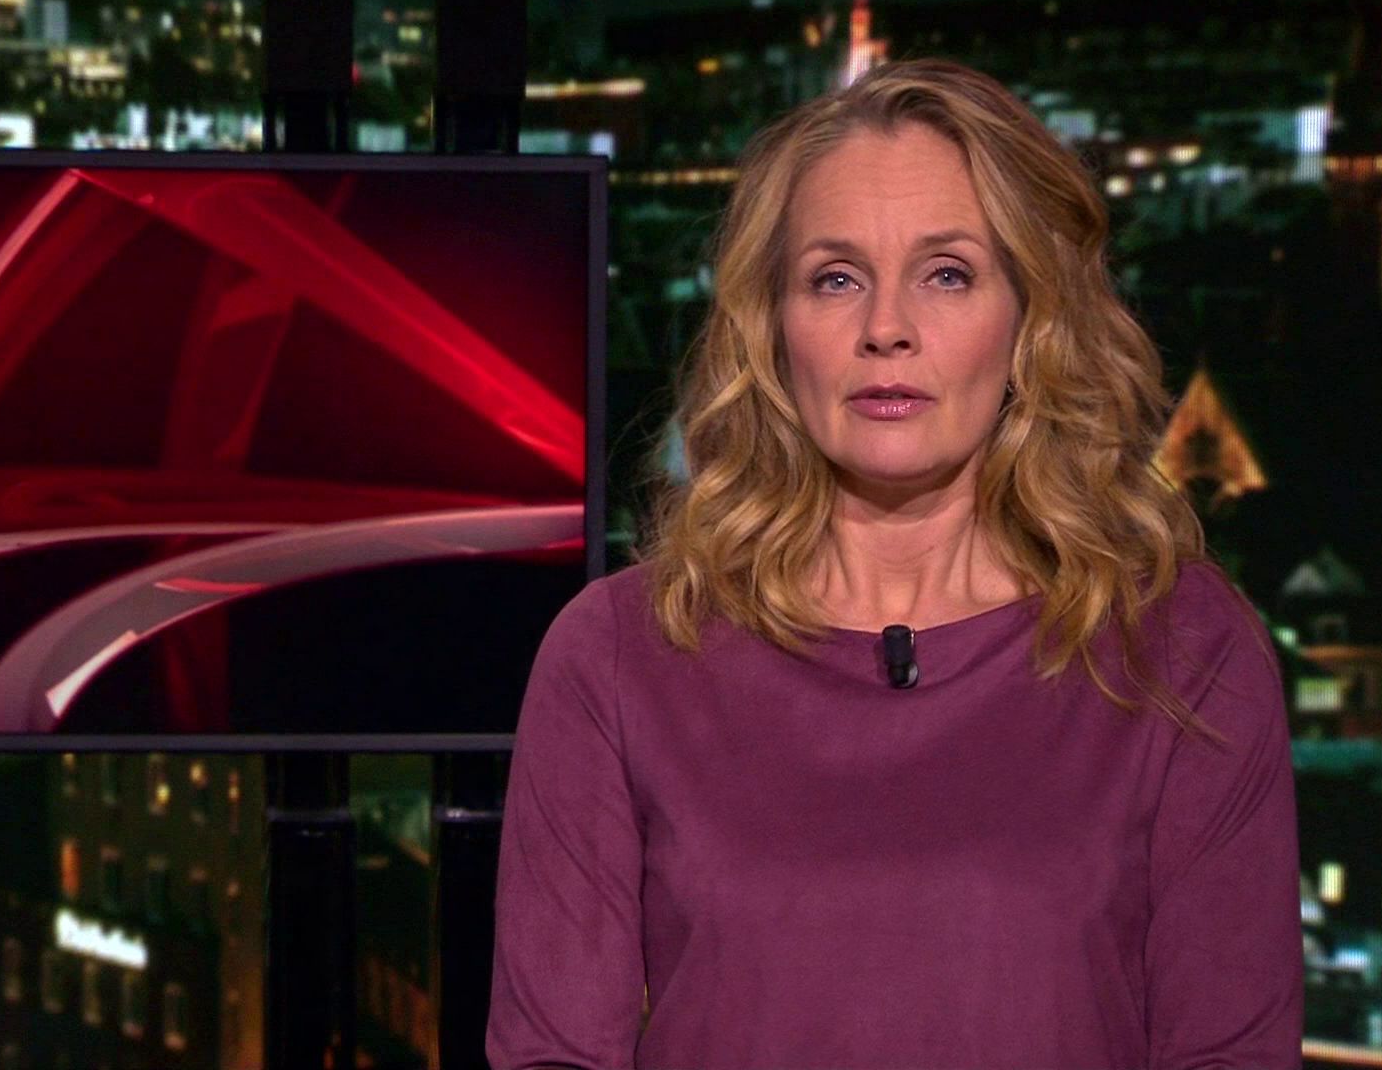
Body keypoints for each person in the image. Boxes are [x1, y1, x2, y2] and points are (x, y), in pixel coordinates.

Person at [487, 58, 1302, 1069]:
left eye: (947, 274)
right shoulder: (620, 655)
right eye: (835, 279)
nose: (886, 330)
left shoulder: (1182, 651)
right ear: (772, 327)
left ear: (1032, 317)